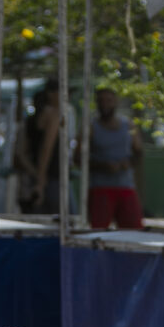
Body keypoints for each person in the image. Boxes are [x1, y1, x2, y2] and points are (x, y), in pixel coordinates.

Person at [76, 87, 143, 230]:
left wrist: (128, 163)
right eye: (101, 101)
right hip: (100, 188)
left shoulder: (128, 125)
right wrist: (103, 166)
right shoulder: (90, 127)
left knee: (134, 230)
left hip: (126, 187)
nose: (105, 104)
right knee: (98, 231)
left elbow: (138, 153)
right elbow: (78, 158)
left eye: (109, 100)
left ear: (116, 102)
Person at [23, 79, 77, 216]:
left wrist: (34, 173)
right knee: (68, 219)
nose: (67, 97)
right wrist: (41, 180)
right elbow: (46, 147)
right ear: (51, 94)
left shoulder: (32, 118)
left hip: (39, 176)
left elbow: (22, 152)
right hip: (52, 177)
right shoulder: (53, 114)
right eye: (63, 92)